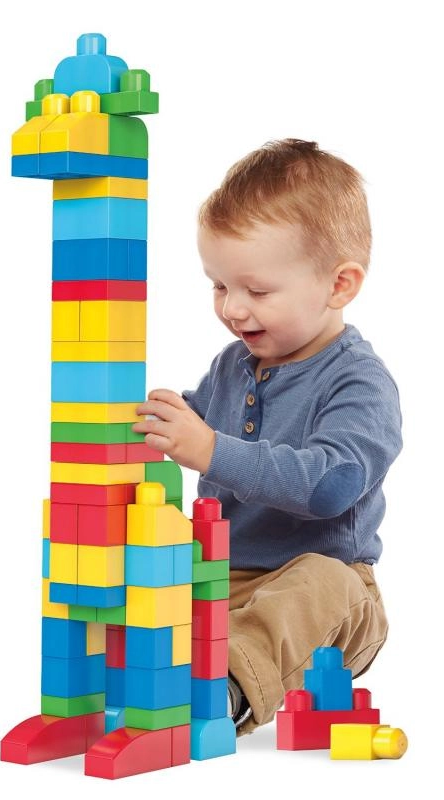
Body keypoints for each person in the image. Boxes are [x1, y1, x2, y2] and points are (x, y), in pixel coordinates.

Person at [133, 138, 403, 736]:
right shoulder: (233, 364)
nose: (232, 309)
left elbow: (330, 486)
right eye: (218, 285)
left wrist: (209, 449)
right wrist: (146, 420)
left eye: (256, 291)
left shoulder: (360, 382)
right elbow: (190, 422)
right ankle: (132, 675)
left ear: (339, 285)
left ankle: (221, 691)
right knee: (149, 566)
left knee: (324, 583)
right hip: (220, 580)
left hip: (326, 601)